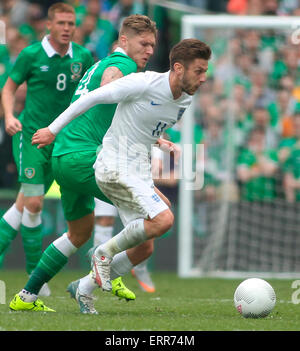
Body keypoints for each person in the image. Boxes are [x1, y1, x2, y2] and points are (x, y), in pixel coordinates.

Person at [10, 38, 211, 313]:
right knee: (163, 218)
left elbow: (140, 121)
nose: (204, 78)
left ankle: (81, 287)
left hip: (132, 169)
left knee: (142, 246)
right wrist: (52, 130)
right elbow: (93, 98)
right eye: (199, 71)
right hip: (112, 165)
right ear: (178, 68)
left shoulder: (185, 97)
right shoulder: (142, 80)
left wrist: (158, 141)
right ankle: (103, 253)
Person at [0, 3, 93, 295]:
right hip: (31, 139)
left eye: (71, 23)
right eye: (62, 23)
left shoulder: (83, 56)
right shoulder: (31, 55)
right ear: (49, 25)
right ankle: (34, 279)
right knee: (34, 201)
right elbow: (8, 87)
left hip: (63, 142)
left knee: (22, 205)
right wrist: (9, 116)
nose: (67, 28)